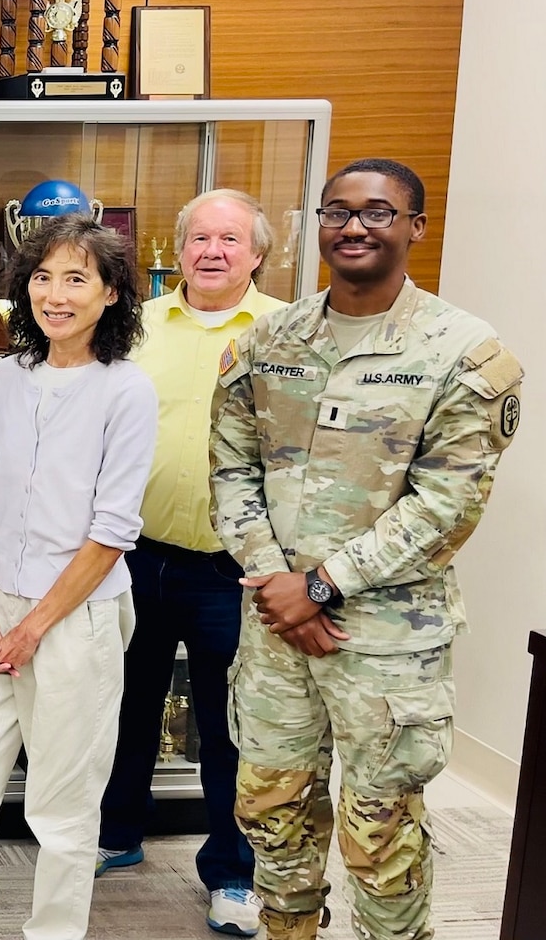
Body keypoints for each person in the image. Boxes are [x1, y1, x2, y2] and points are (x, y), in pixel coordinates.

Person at [213, 158, 522, 940]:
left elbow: (448, 504)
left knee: (380, 834)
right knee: (272, 815)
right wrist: (281, 584)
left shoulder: (463, 352)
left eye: (378, 212)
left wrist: (320, 586)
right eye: (336, 211)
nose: (353, 226)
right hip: (275, 632)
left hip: (385, 644)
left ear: (415, 227)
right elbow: (230, 468)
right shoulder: (269, 339)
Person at [0, 216, 155, 940]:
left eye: (77, 278)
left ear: (111, 294)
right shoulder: (9, 377)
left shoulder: (126, 391)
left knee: (63, 805)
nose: (55, 294)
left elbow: (112, 533)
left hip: (74, 620)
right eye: (41, 277)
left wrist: (32, 629)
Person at [95, 189, 284, 936]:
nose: (213, 250)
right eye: (200, 237)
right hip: (133, 555)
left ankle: (232, 873)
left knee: (228, 722)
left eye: (230, 239)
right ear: (177, 248)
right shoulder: (137, 325)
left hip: (230, 569)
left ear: (258, 254)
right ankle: (116, 834)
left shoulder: (285, 330)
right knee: (125, 704)